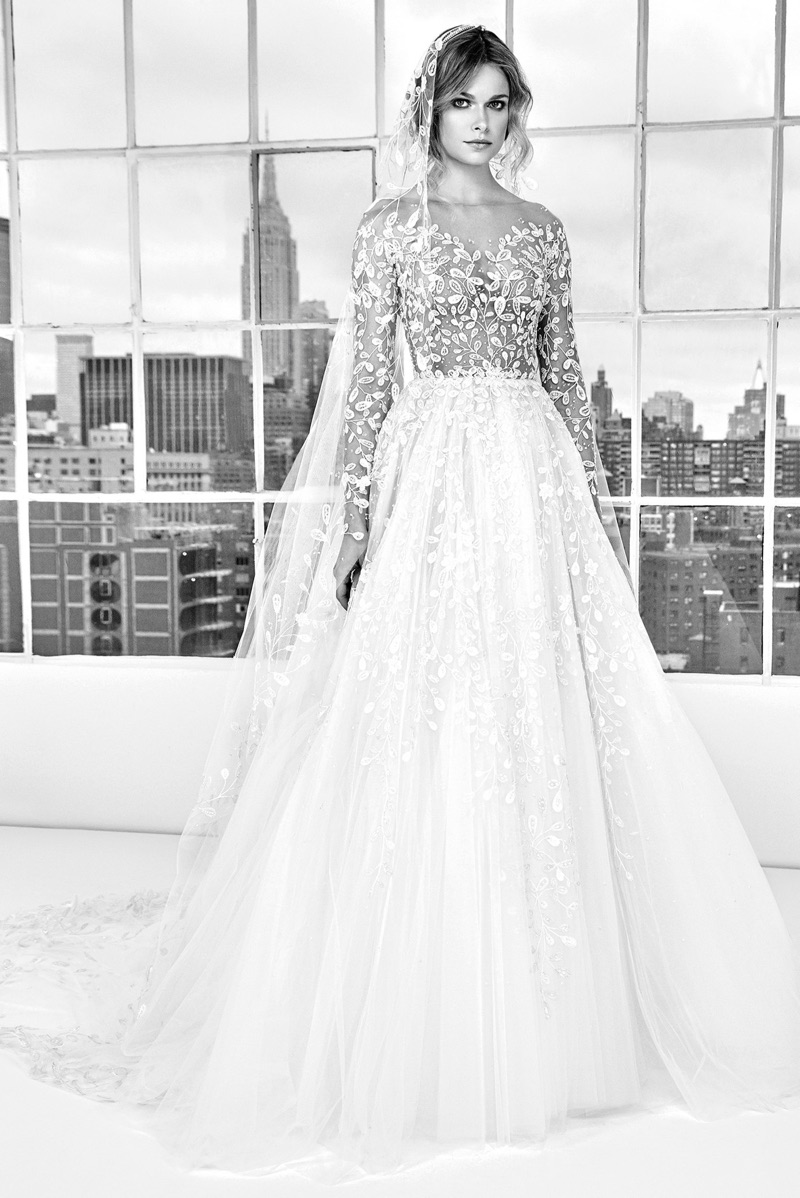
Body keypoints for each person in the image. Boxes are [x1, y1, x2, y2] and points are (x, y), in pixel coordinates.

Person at [2, 24, 800, 1185]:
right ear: (429, 109)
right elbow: (371, 387)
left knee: (532, 706)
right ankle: (415, 991)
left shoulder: (543, 232)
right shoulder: (387, 231)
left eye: (497, 102)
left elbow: (563, 382)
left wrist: (593, 513)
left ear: (514, 112)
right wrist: (355, 525)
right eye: (461, 101)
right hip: (430, 478)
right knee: (420, 706)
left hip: (527, 480)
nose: (480, 120)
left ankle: (553, 1002)